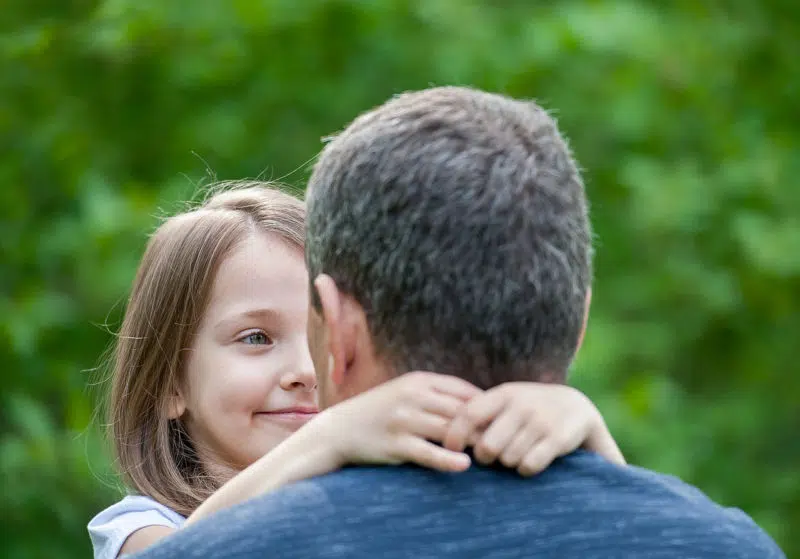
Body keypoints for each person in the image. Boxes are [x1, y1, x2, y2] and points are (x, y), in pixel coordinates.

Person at [133, 87, 785, 558]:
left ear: (336, 328)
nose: (298, 372)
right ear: (578, 321)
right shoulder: (732, 544)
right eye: (254, 337)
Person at [88, 183, 625, 559]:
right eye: (256, 338)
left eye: (319, 334)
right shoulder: (139, 527)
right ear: (170, 383)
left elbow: (638, 536)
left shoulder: (380, 498)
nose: (304, 370)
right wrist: (330, 435)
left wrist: (588, 431)